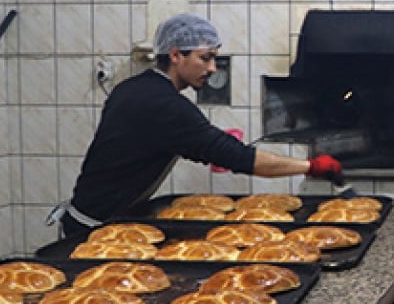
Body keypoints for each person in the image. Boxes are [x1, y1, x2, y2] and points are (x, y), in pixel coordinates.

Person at [48, 12, 342, 239]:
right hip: (93, 231)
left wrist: (206, 139)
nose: (213, 69)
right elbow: (239, 158)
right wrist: (310, 166)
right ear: (176, 55)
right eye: (206, 58)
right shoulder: (164, 105)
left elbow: (146, 141)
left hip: (92, 218)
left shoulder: (134, 88)